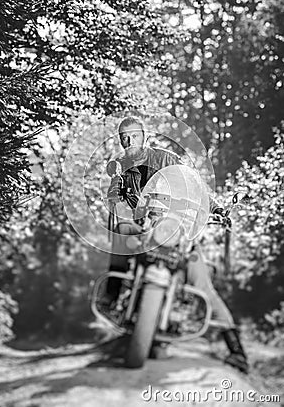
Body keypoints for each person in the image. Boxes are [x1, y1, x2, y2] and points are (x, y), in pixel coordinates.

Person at [106, 115, 248, 373]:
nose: (129, 141)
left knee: (202, 284)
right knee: (121, 229)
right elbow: (117, 200)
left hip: (177, 229)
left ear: (143, 136)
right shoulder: (122, 167)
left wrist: (215, 208)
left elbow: (196, 183)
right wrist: (113, 194)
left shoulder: (166, 159)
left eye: (134, 135)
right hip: (148, 228)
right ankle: (112, 293)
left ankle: (237, 352)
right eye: (124, 137)